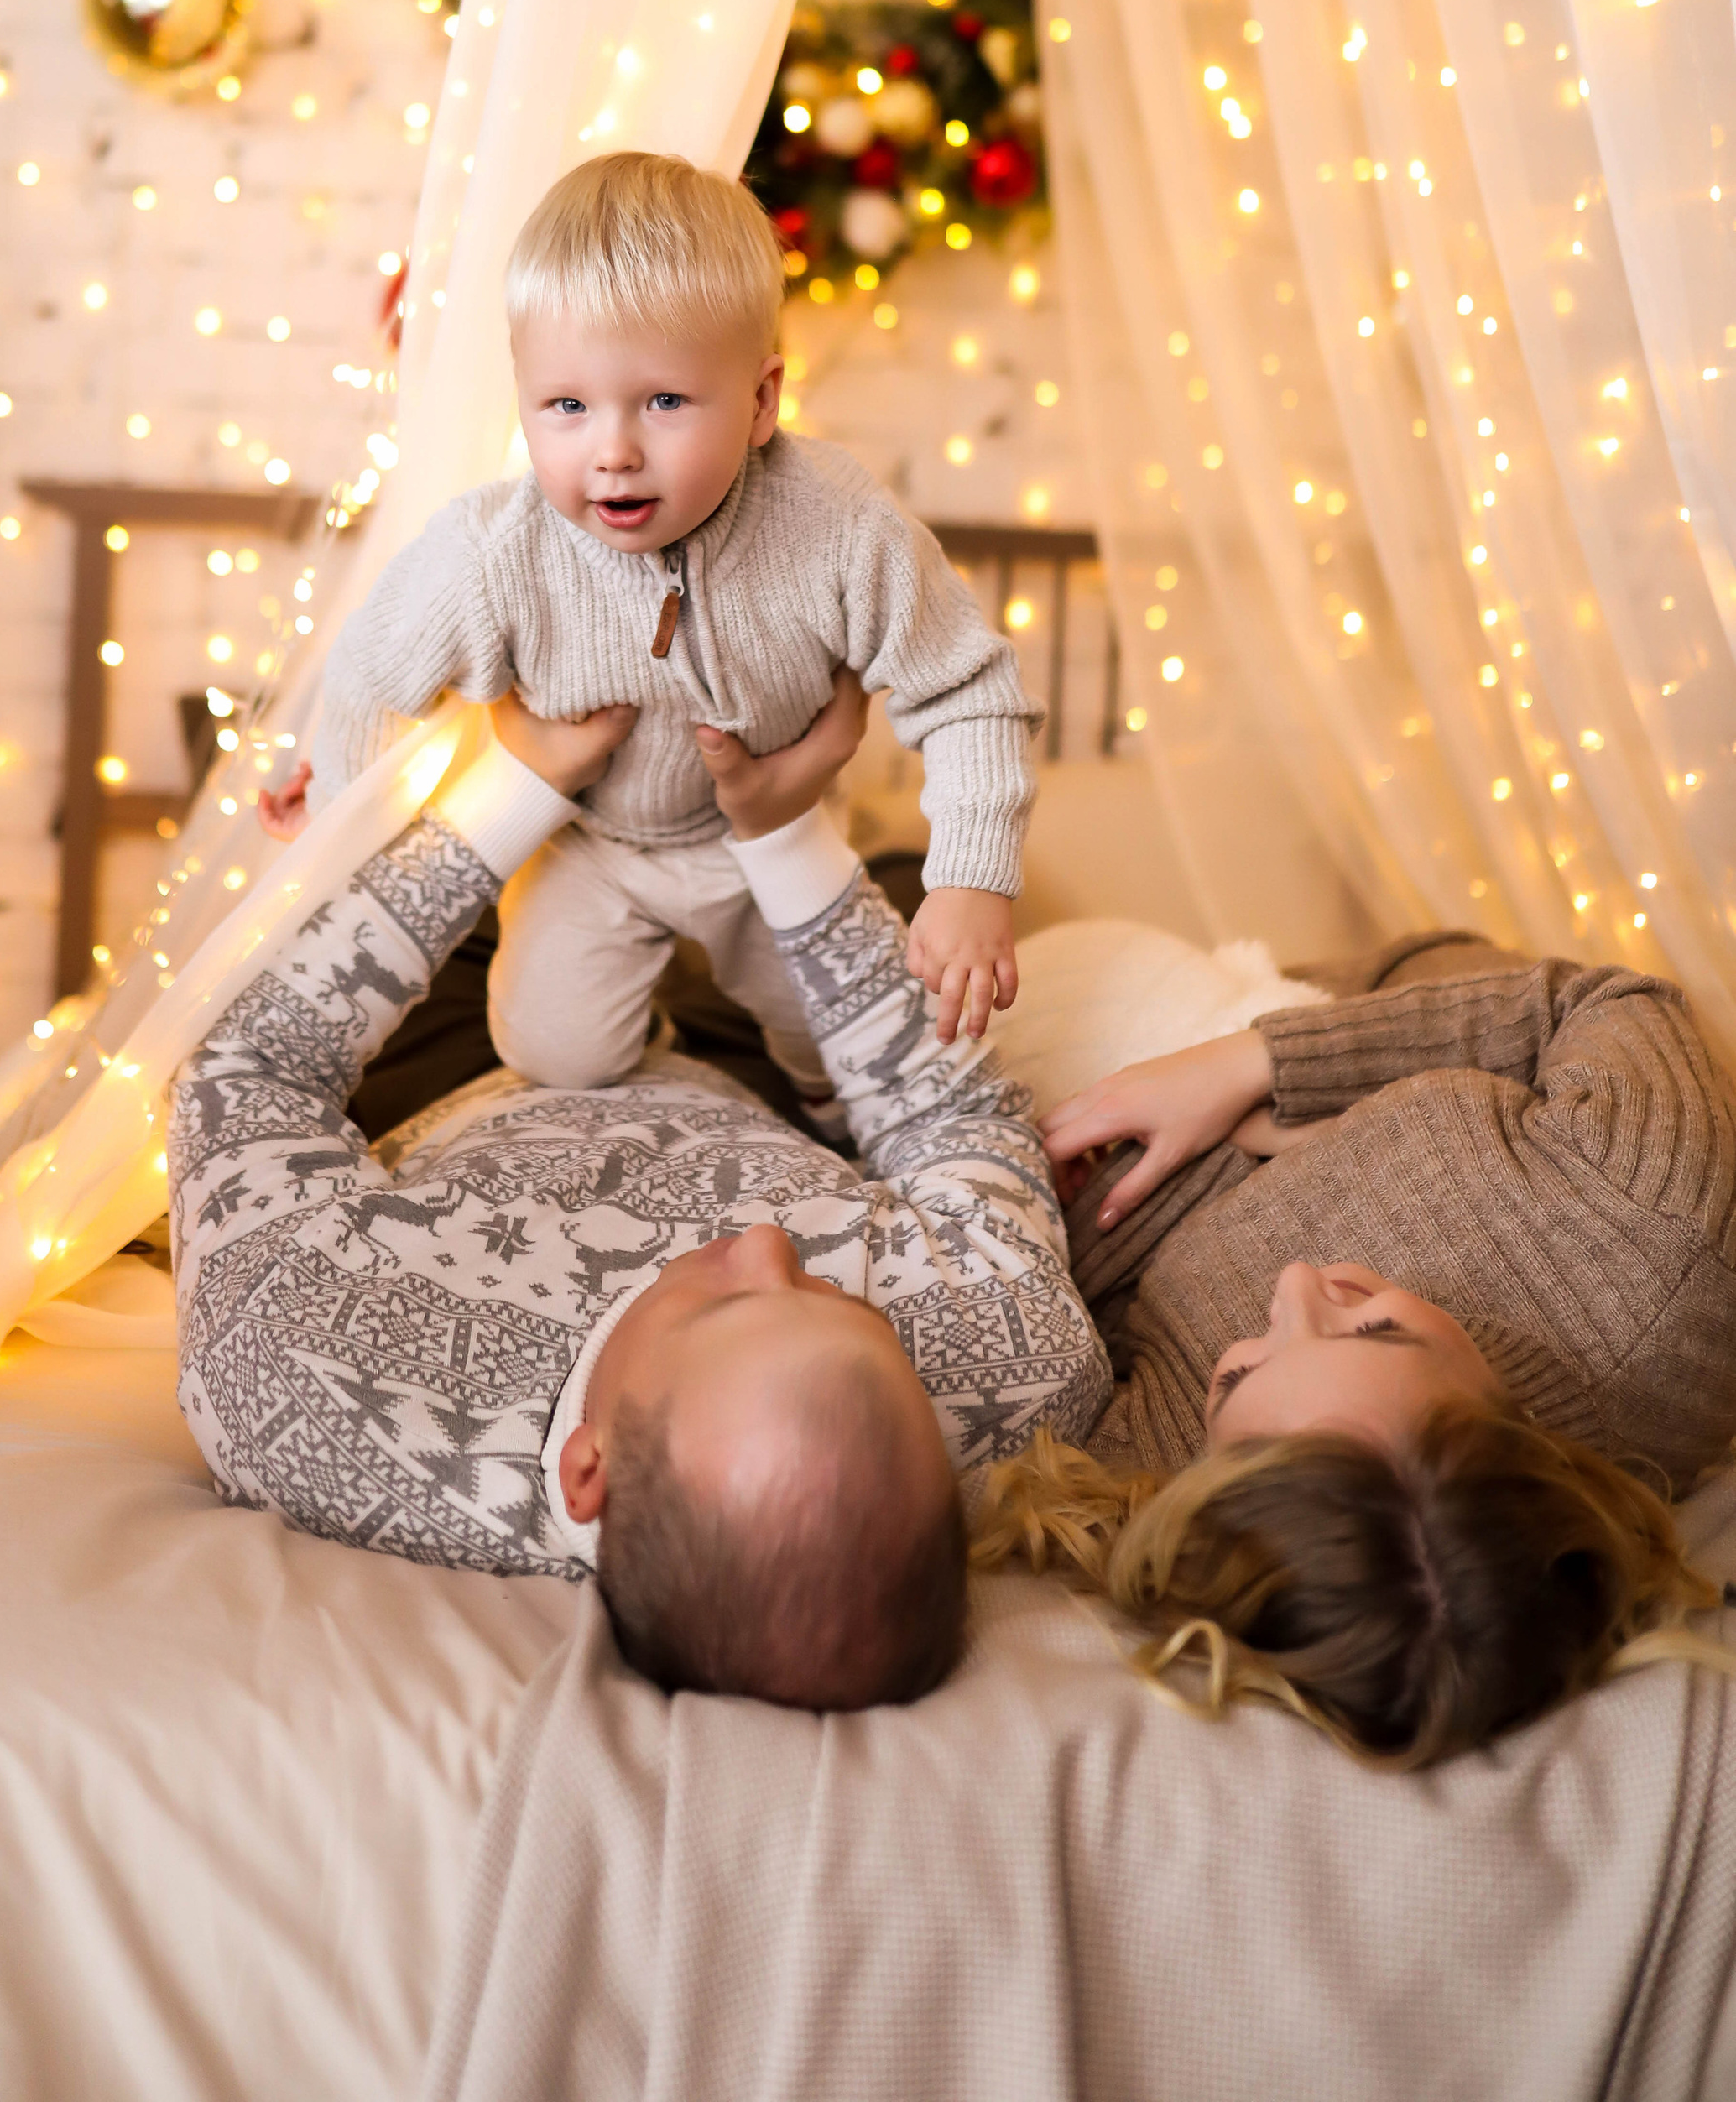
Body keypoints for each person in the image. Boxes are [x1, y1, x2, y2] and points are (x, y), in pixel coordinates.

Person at [169, 681, 1108, 1714]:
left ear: (586, 1470)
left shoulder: (306, 1367)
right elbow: (960, 1118)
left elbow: (250, 1066)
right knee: (901, 891)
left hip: (460, 1078)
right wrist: (784, 832)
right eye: (838, 1294)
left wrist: (517, 788)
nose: (761, 1239)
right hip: (761, 1086)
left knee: (408, 808)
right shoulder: (1013, 1370)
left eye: (726, 1301)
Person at [282, 152, 1040, 1103]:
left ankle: (813, 1104)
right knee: (556, 1056)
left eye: (665, 403)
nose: (613, 453)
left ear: (762, 401)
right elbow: (370, 674)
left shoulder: (838, 528)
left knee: (835, 1051)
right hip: (591, 846)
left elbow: (969, 690)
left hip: (770, 838)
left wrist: (971, 881)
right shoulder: (492, 554)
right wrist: (337, 821)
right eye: (565, 406)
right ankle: (656, 1040)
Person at [969, 936, 1736, 1765]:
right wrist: (1261, 1064)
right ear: (1523, 1433)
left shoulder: (1143, 1468)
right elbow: (1596, 1002)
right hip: (1314, 984)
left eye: (1241, 1371)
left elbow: (1050, 1303)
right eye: (1377, 1327)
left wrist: (1068, 1193)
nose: (1294, 1284)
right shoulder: (1657, 1244)